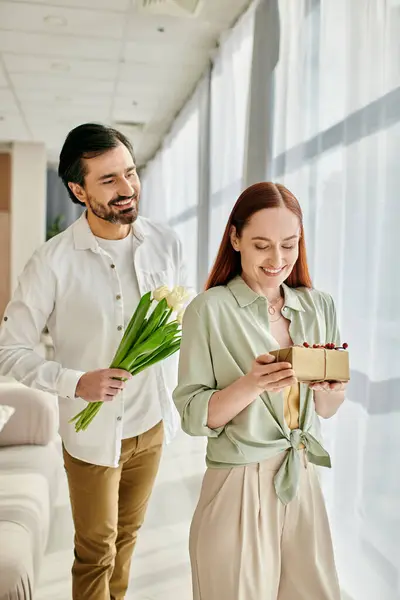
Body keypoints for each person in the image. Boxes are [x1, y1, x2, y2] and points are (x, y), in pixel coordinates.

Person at [0, 123, 187, 600]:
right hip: (91, 435)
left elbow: (182, 321)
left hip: (150, 427)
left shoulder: (167, 245)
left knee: (126, 540)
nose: (127, 189)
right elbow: (10, 350)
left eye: (129, 172)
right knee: (95, 549)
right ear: (77, 189)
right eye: (108, 180)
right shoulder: (52, 262)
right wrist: (75, 382)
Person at [173, 182, 346, 600]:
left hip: (302, 477)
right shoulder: (209, 309)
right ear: (235, 238)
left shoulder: (318, 305)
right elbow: (196, 417)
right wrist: (251, 385)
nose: (278, 259)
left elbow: (326, 409)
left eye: (289, 245)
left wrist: (331, 388)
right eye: (262, 245)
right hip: (238, 482)